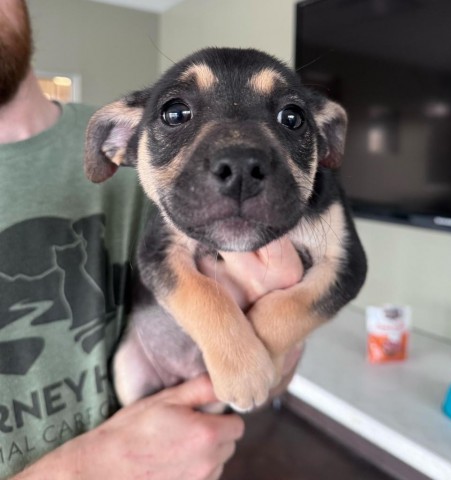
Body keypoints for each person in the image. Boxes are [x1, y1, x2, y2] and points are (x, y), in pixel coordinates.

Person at [0, 1, 303, 479]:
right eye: (178, 112)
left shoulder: (142, 145)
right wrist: (84, 470)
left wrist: (275, 335)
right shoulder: (137, 135)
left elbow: (252, 380)